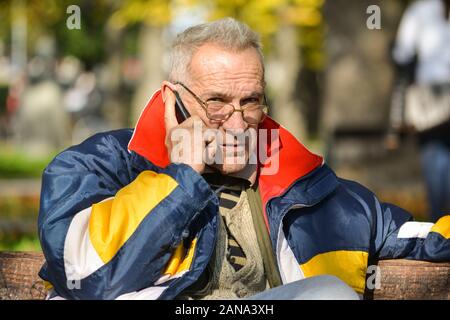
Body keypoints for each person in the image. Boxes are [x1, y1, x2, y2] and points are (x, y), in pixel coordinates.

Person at [38, 18, 450, 300]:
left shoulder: (316, 191)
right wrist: (178, 178)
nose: (237, 124)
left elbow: (423, 236)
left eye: (249, 101)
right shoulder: (99, 165)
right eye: (216, 102)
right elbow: (84, 273)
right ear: (172, 101)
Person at [390, 0, 450, 222]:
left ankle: (441, 232)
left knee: (435, 163)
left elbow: (401, 54)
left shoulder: (420, 11)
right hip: (434, 101)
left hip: (431, 104)